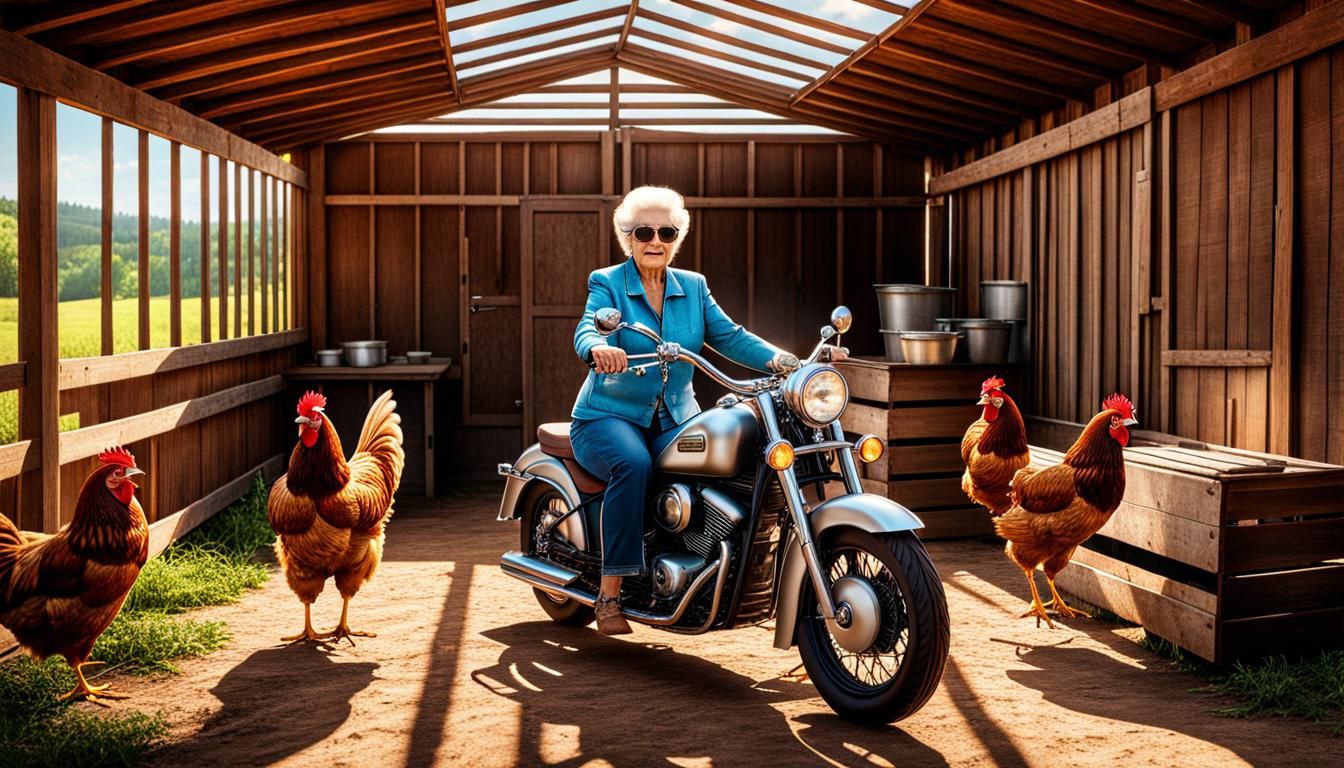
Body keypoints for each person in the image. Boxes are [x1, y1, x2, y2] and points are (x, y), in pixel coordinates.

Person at [570, 185, 799, 635]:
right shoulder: (608, 282)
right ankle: (610, 594)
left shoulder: (693, 287)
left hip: (675, 415)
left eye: (667, 232)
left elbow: (732, 337)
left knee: (725, 455)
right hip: (608, 416)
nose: (656, 241)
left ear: (678, 237)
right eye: (644, 232)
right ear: (627, 237)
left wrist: (787, 362)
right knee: (633, 465)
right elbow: (587, 325)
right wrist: (598, 347)